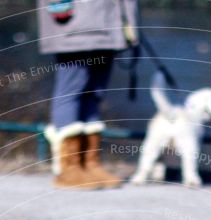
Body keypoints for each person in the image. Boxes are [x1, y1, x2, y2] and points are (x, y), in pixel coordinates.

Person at [37, 1, 138, 190]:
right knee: (70, 91)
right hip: (75, 25)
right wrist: (60, 6)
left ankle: (90, 164)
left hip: (110, 26)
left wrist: (129, 24)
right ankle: (69, 168)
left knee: (95, 93)